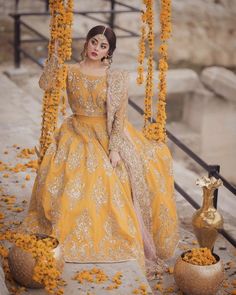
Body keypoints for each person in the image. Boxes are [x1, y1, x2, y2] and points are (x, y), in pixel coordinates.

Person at [21, 25, 179, 279]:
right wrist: (55, 55)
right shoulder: (70, 71)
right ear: (86, 43)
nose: (97, 48)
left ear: (109, 52)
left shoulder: (114, 77)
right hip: (76, 131)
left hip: (105, 133)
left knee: (120, 172)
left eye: (103, 46)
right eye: (94, 42)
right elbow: (45, 84)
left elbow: (119, 118)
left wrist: (114, 148)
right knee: (69, 176)